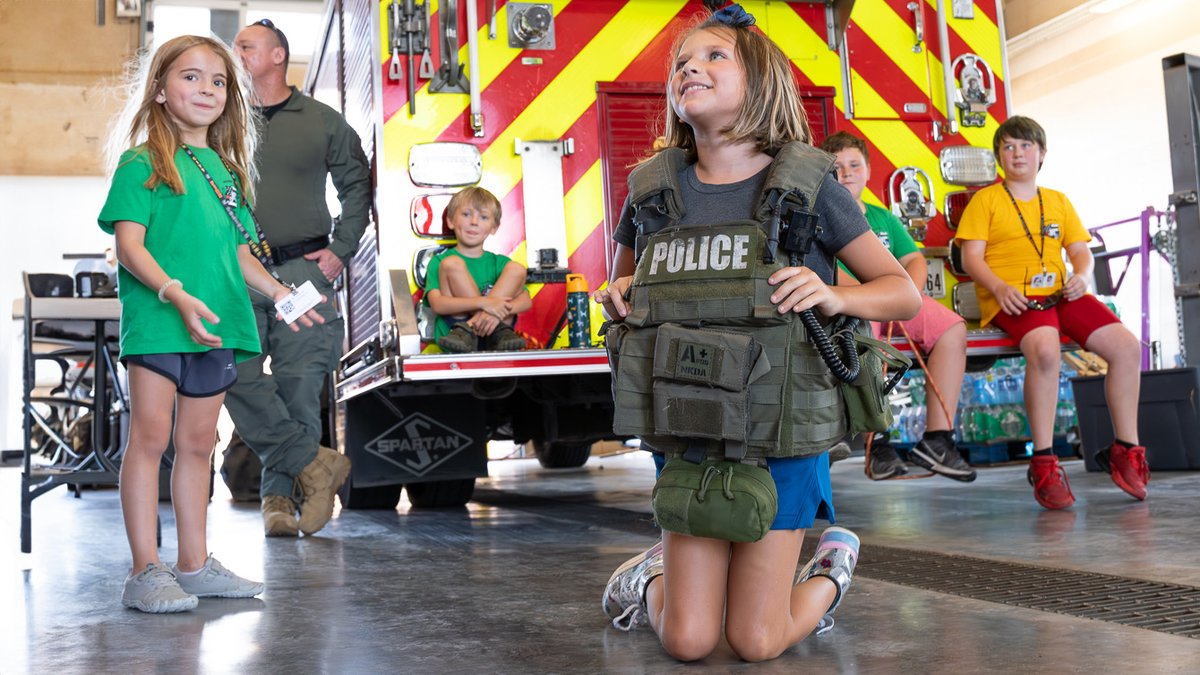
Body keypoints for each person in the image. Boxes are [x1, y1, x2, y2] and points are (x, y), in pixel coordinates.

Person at [594, 4, 920, 662]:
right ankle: (648, 574)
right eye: (683, 62)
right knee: (689, 639)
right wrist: (621, 294)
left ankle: (831, 568)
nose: (692, 67)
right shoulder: (651, 192)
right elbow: (623, 288)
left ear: (763, 80)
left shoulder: (808, 185)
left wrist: (832, 292)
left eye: (715, 56)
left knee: (756, 639)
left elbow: (903, 292)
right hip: (688, 431)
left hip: (782, 432)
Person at [99, 35, 324, 613]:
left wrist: (281, 295)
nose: (206, 89)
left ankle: (194, 566)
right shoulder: (143, 162)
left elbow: (240, 254)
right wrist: (175, 295)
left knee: (199, 444)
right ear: (160, 89)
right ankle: (144, 571)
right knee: (150, 440)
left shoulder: (226, 172)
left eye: (218, 81)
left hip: (218, 325)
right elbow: (129, 246)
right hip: (160, 321)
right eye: (191, 77)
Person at [957, 115, 1148, 510]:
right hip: (1014, 298)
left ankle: (1126, 449)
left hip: (1062, 293)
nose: (1017, 153)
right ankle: (1043, 462)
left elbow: (1080, 250)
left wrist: (1081, 275)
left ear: (1042, 154)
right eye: (1008, 147)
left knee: (1128, 347)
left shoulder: (1058, 201)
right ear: (998, 158)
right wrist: (999, 287)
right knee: (1044, 350)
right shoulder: (986, 201)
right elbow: (971, 257)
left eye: (1025, 146)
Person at [227, 19, 368, 537]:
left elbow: (358, 186)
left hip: (303, 273)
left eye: (245, 45)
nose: (235, 52)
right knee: (232, 374)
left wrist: (339, 251)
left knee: (300, 388)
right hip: (237, 273)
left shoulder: (322, 122)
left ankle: (280, 503)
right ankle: (316, 465)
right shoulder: (222, 120)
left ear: (278, 54)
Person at [820, 131, 975, 482]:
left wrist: (908, 294)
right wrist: (876, 296)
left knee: (952, 328)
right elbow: (826, 270)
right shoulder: (822, 215)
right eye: (837, 167)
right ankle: (879, 441)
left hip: (894, 299)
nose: (846, 174)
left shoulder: (883, 218)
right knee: (866, 341)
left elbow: (913, 260)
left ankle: (937, 439)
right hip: (855, 306)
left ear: (868, 171)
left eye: (854, 165)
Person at [423, 186, 531, 353]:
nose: (474, 222)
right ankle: (466, 331)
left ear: (494, 227)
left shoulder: (499, 263)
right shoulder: (440, 261)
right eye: (466, 214)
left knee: (516, 269)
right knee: (452, 264)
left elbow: (526, 301)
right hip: (456, 337)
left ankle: (475, 327)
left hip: (498, 337)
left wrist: (494, 313)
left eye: (483, 217)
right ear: (450, 221)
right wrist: (485, 303)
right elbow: (437, 305)